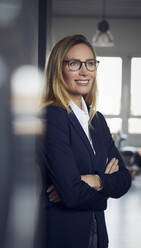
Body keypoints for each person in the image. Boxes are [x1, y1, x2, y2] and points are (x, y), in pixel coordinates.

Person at [40, 34, 131, 248]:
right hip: (66, 237)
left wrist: (93, 180)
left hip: (97, 235)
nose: (84, 71)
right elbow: (72, 194)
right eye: (74, 63)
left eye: (90, 63)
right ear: (58, 69)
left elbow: (124, 180)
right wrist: (105, 187)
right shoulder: (53, 116)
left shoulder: (96, 120)